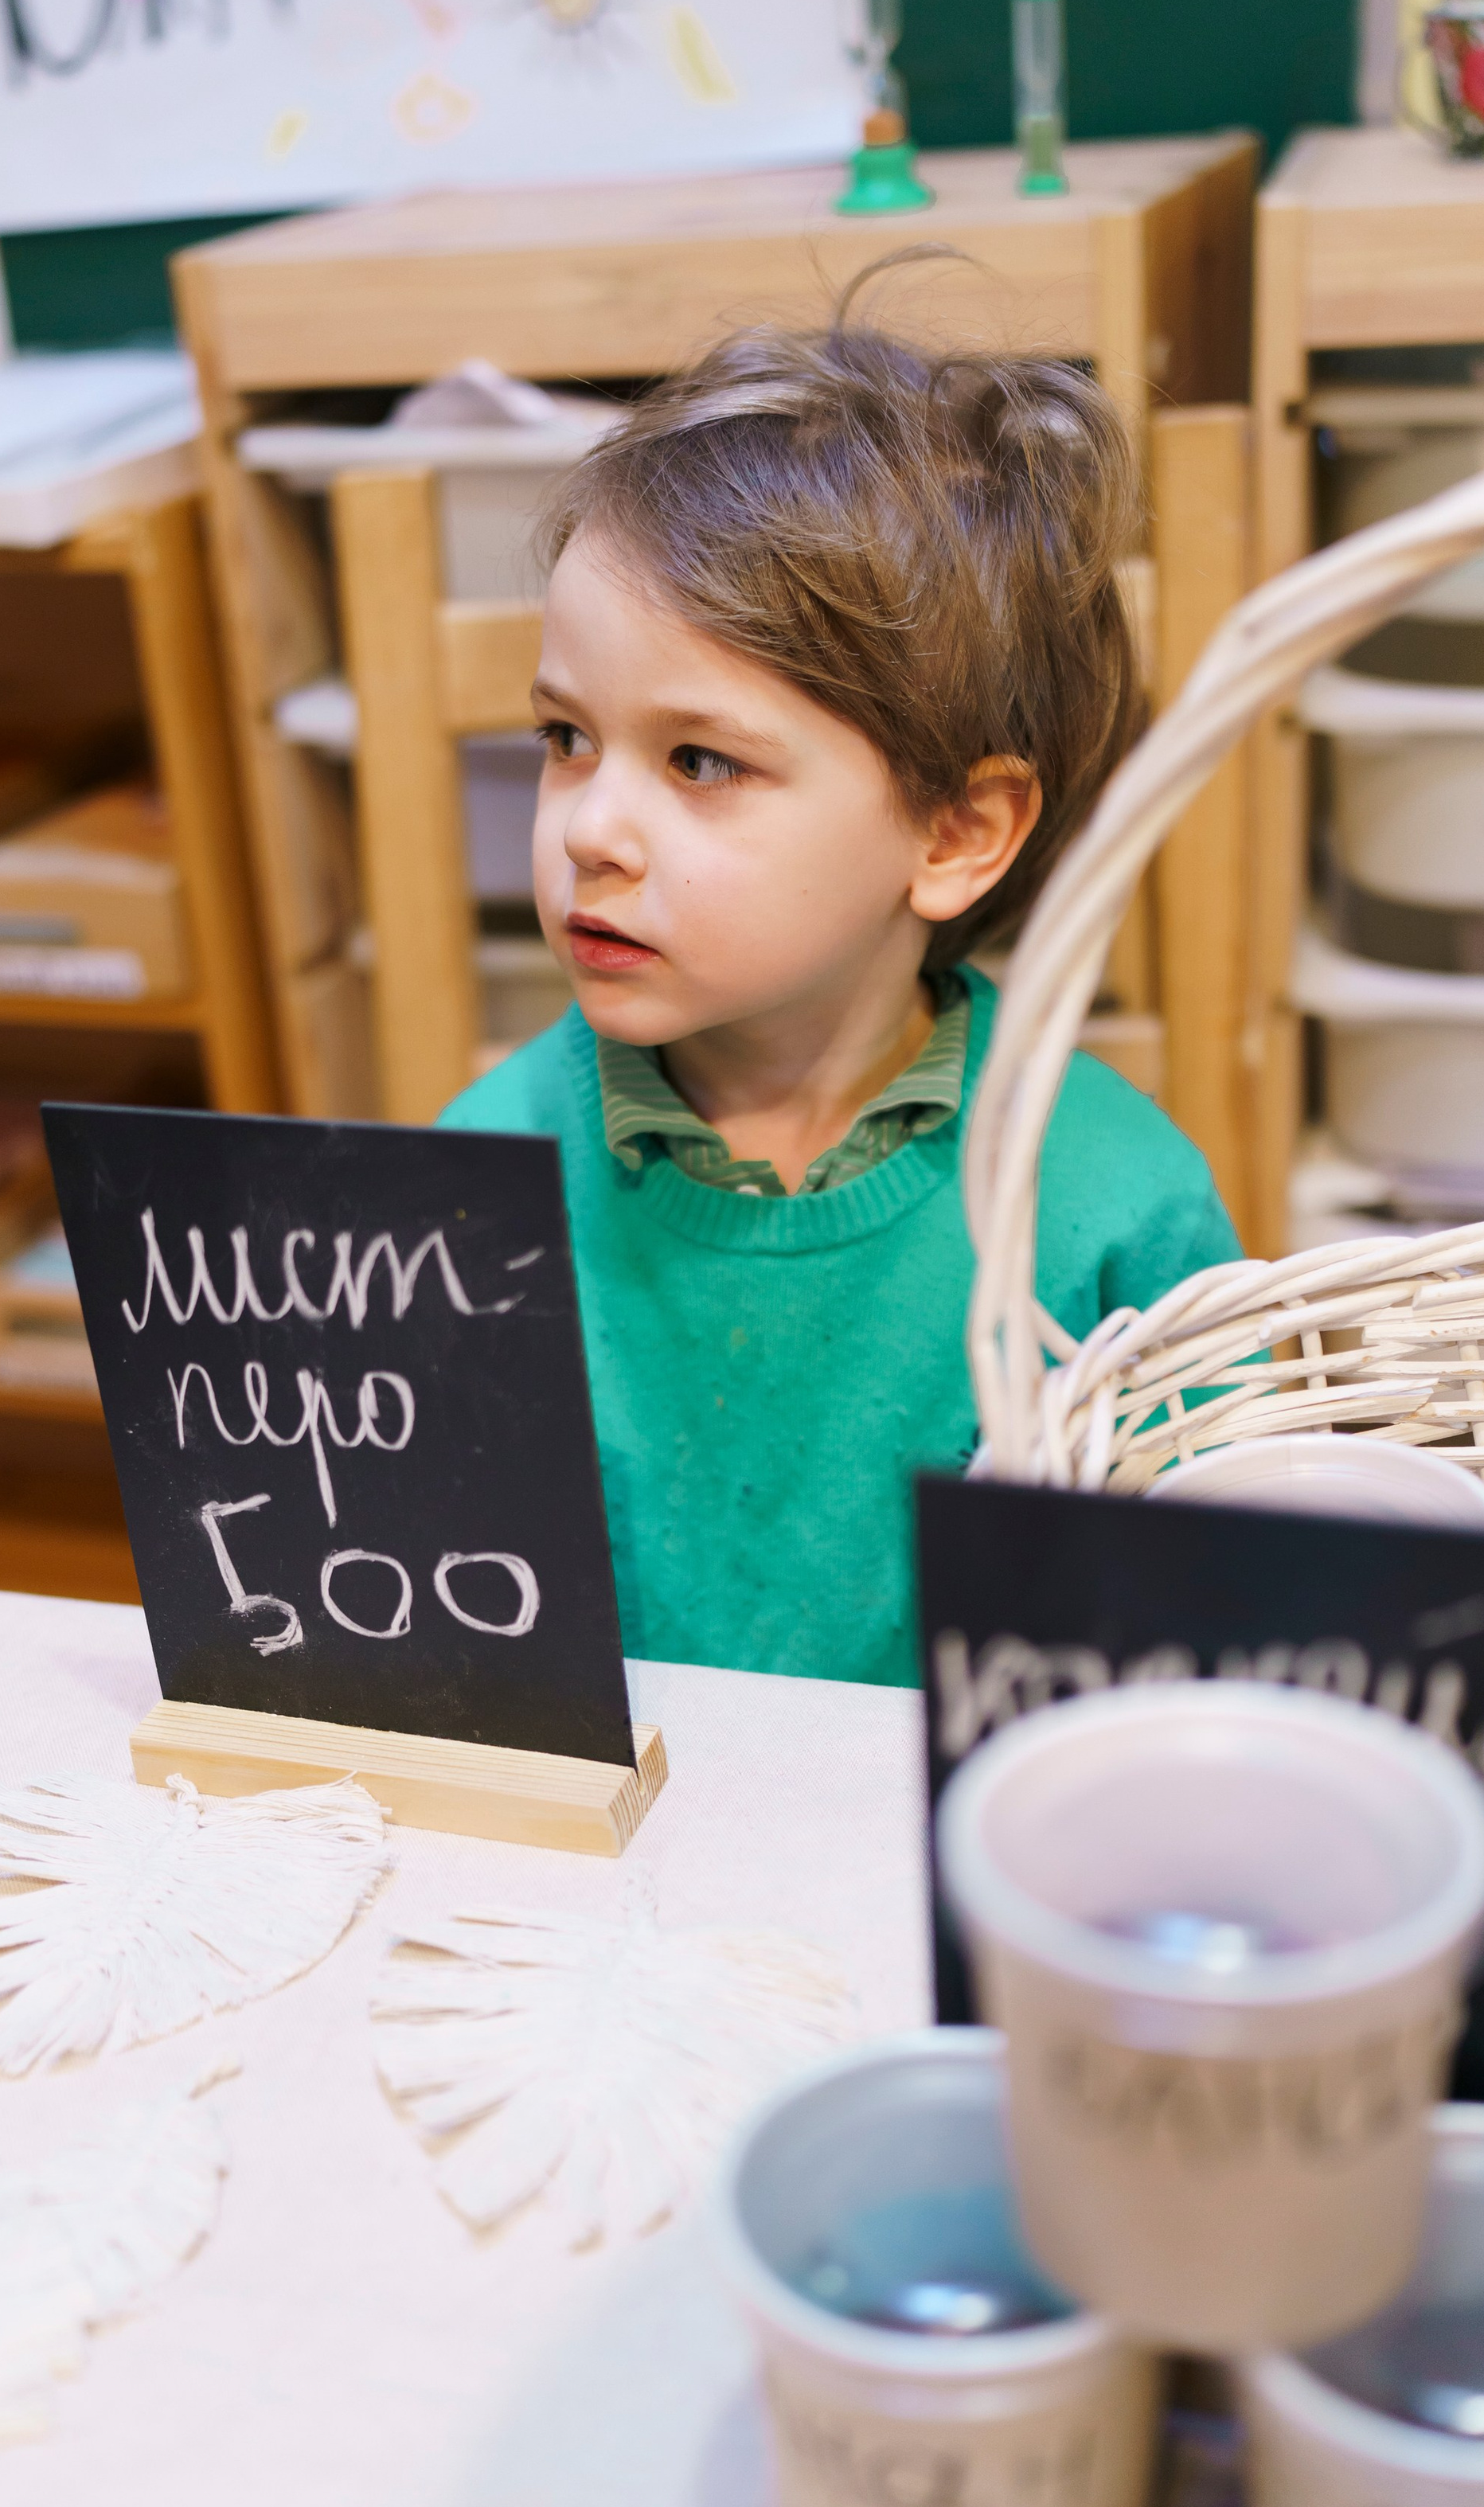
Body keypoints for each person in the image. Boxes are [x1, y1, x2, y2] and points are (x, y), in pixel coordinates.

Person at [439, 314, 1239, 1686]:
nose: (590, 829)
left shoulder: (1119, 1209)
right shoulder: (469, 1183)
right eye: (567, 739)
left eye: (699, 761)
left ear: (955, 834)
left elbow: (1234, 1610)